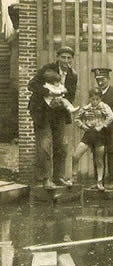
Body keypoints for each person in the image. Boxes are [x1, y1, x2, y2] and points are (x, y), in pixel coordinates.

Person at [28, 46, 78, 189]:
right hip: (42, 111)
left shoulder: (73, 75)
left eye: (69, 58)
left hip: (58, 112)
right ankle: (44, 179)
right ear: (58, 57)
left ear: (72, 59)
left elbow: (71, 95)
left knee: (61, 145)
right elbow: (31, 85)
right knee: (44, 145)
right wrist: (48, 93)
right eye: (63, 57)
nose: (66, 61)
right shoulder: (47, 69)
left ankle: (58, 177)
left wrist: (61, 102)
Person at [72, 88, 113, 191]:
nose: (94, 101)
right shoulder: (86, 108)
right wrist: (83, 126)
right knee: (75, 156)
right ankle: (73, 178)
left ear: (100, 98)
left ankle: (99, 182)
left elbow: (111, 117)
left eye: (97, 99)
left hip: (100, 135)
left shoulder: (104, 107)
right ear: (89, 99)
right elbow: (77, 118)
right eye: (92, 99)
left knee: (99, 160)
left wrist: (102, 126)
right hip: (89, 134)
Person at [91, 68, 113, 190]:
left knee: (112, 154)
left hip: (112, 130)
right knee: (97, 155)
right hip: (99, 131)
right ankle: (99, 181)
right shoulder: (95, 93)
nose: (100, 82)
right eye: (98, 80)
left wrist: (103, 114)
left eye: (102, 80)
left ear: (108, 79)